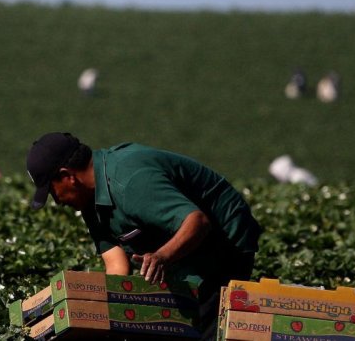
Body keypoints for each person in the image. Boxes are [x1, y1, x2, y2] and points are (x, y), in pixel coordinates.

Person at [26, 132, 261, 341]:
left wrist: (162, 256)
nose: (57, 202)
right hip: (177, 247)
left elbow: (197, 222)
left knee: (200, 324)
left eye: (52, 192)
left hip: (224, 239)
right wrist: (96, 316)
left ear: (68, 176)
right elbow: (117, 264)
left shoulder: (130, 183)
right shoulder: (90, 201)